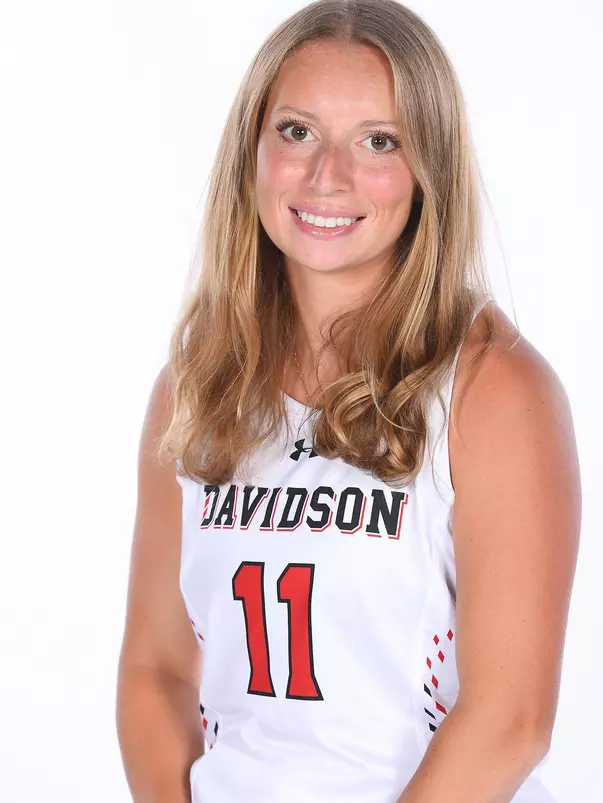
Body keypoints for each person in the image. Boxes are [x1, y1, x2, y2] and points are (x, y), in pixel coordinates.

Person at [116, 2, 581, 802]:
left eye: (377, 141)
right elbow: (155, 668)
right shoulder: (196, 386)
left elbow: (510, 718)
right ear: (251, 151)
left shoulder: (492, 389)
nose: (326, 175)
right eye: (296, 131)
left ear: (426, 166)